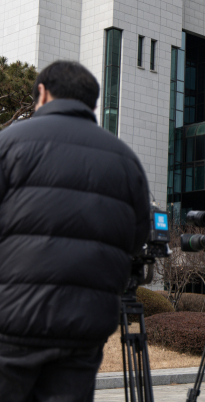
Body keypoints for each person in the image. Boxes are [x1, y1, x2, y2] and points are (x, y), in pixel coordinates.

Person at [0, 61, 150, 401]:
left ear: (42, 92)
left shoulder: (8, 143)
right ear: (91, 103)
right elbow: (138, 237)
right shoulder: (125, 160)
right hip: (86, 325)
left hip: (12, 319)